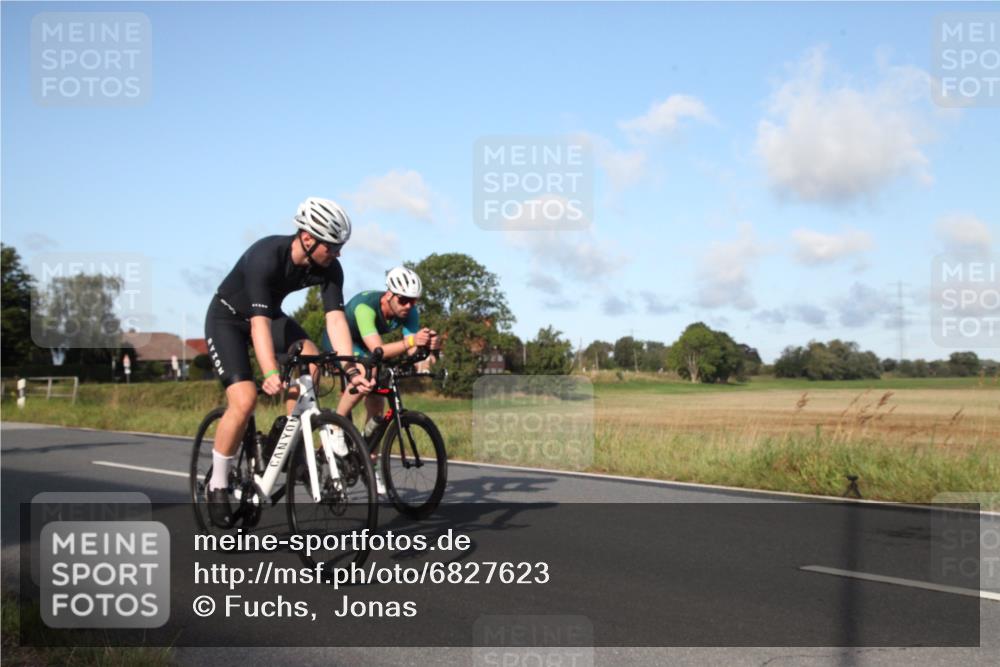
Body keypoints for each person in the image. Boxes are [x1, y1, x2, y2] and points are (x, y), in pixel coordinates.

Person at [203, 197, 373, 528]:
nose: (338, 254)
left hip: (269, 317)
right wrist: (268, 371)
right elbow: (258, 324)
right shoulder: (266, 256)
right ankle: (218, 483)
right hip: (228, 320)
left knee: (311, 359)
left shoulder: (330, 268)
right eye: (332, 246)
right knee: (245, 399)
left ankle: (282, 436)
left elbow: (336, 321)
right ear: (308, 239)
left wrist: (351, 369)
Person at [323, 267, 441, 491]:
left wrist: (428, 349)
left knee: (378, 404)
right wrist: (413, 341)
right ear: (389, 295)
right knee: (366, 371)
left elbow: (411, 354)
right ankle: (335, 427)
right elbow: (378, 350)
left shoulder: (410, 312)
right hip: (340, 341)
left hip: (367, 349)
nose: (409, 306)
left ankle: (369, 464)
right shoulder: (365, 307)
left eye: (413, 302)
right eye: (404, 300)